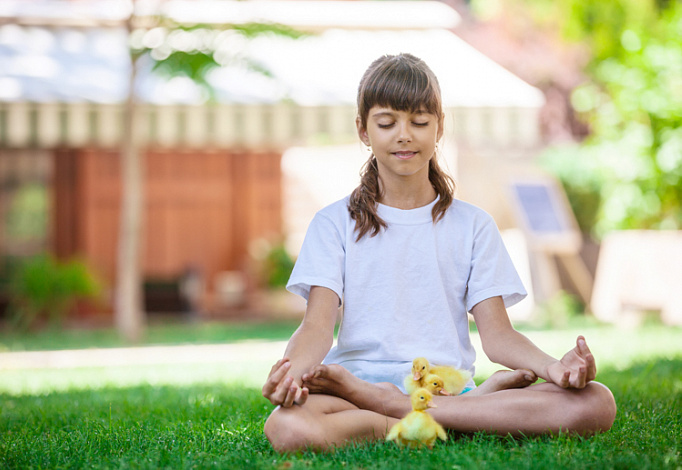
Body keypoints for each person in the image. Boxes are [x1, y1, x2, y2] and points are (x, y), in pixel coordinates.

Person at [262, 53, 616, 452]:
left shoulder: (473, 225)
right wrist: (291, 373)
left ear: (439, 127)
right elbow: (316, 328)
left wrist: (554, 367)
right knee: (287, 428)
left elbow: (498, 338)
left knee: (596, 402)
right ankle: (466, 414)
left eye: (419, 122)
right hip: (353, 387)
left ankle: (397, 409)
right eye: (386, 122)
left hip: (443, 388)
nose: (404, 135)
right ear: (363, 130)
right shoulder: (333, 224)